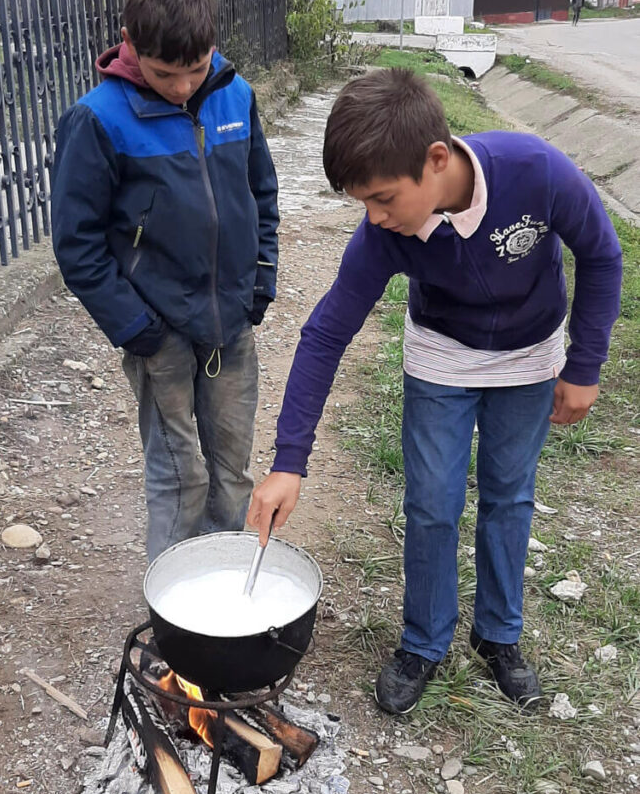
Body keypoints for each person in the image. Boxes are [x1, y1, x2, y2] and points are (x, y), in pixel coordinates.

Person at [247, 69, 622, 715]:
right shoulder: (386, 233)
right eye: (362, 202)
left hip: (529, 357)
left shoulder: (533, 170)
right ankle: (422, 641)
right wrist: (288, 461)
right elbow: (323, 334)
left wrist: (583, 365)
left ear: (436, 160)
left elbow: (602, 253)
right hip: (441, 359)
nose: (374, 217)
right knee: (431, 504)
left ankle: (497, 636)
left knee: (508, 496)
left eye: (383, 197)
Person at [52, 0, 279, 563]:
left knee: (231, 469)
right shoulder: (98, 119)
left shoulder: (237, 95)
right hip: (160, 337)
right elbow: (77, 245)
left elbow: (261, 194)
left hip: (232, 324)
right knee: (182, 477)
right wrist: (138, 329)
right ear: (130, 42)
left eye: (195, 70)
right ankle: (175, 616)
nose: (181, 88)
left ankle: (225, 595)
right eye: (163, 74)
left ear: (213, 45)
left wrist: (261, 280)